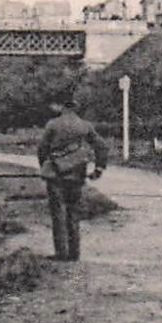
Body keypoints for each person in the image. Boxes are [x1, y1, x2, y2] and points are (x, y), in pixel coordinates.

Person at [37, 98, 109, 262]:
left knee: (58, 214)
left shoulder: (52, 124)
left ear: (62, 107)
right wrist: (99, 168)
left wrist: (45, 166)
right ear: (75, 108)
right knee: (73, 213)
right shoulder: (85, 125)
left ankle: (61, 253)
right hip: (76, 174)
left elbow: (42, 148)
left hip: (55, 175)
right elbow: (101, 146)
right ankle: (74, 253)